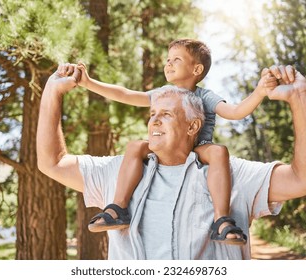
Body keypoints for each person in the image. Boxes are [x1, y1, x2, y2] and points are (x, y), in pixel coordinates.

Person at [36, 64, 306, 259]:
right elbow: (52, 162)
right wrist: (52, 91)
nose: (154, 121)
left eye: (166, 115)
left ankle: (221, 221)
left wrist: (299, 96)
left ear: (192, 127)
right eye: (152, 115)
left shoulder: (229, 172)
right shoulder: (120, 169)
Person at [57, 39, 278, 245]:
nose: (168, 64)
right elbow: (126, 94)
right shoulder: (163, 93)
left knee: (219, 152)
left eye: (176, 60)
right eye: (168, 60)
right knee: (135, 146)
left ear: (196, 70)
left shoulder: (206, 96)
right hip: (166, 149)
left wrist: (260, 92)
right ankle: (118, 208)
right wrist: (88, 83)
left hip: (197, 148)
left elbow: (235, 112)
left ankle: (221, 220)